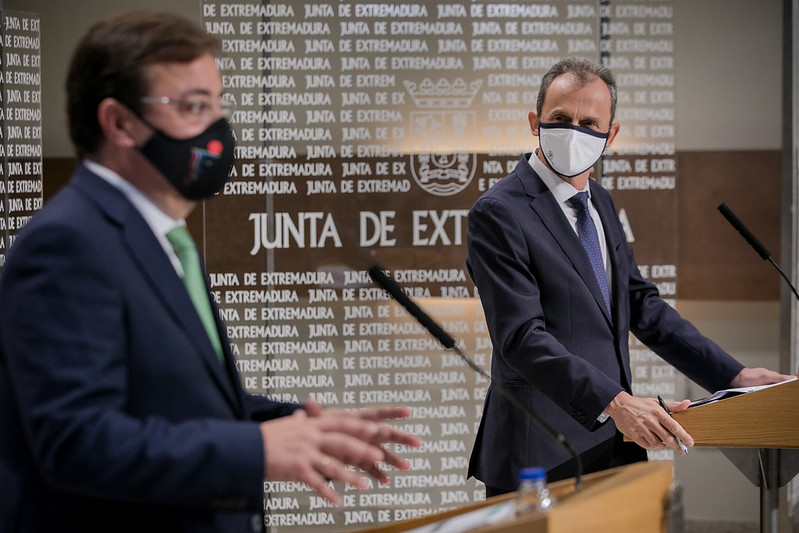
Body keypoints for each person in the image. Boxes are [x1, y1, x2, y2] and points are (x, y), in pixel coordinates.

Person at [0, 11, 421, 533]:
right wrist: (257, 448)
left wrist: (292, 426)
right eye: (194, 107)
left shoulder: (161, 235)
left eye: (217, 106)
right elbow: (77, 440)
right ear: (119, 122)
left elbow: (174, 401)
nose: (217, 132)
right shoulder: (68, 242)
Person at [466, 57, 792, 496]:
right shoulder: (499, 211)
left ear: (610, 134)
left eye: (589, 122)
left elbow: (640, 305)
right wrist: (616, 403)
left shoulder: (598, 200)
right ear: (534, 122)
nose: (574, 131)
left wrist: (732, 378)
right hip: (539, 449)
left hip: (612, 445)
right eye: (560, 119)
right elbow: (521, 338)